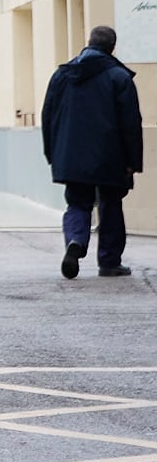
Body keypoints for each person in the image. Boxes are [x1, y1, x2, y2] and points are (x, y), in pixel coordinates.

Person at [42, 23, 141, 280]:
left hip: (70, 155)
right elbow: (130, 123)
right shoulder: (119, 77)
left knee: (77, 203)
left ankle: (75, 241)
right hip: (111, 156)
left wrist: (52, 152)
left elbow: (48, 115)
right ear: (112, 47)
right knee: (110, 205)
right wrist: (133, 161)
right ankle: (109, 263)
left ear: (89, 42)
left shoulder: (62, 75)